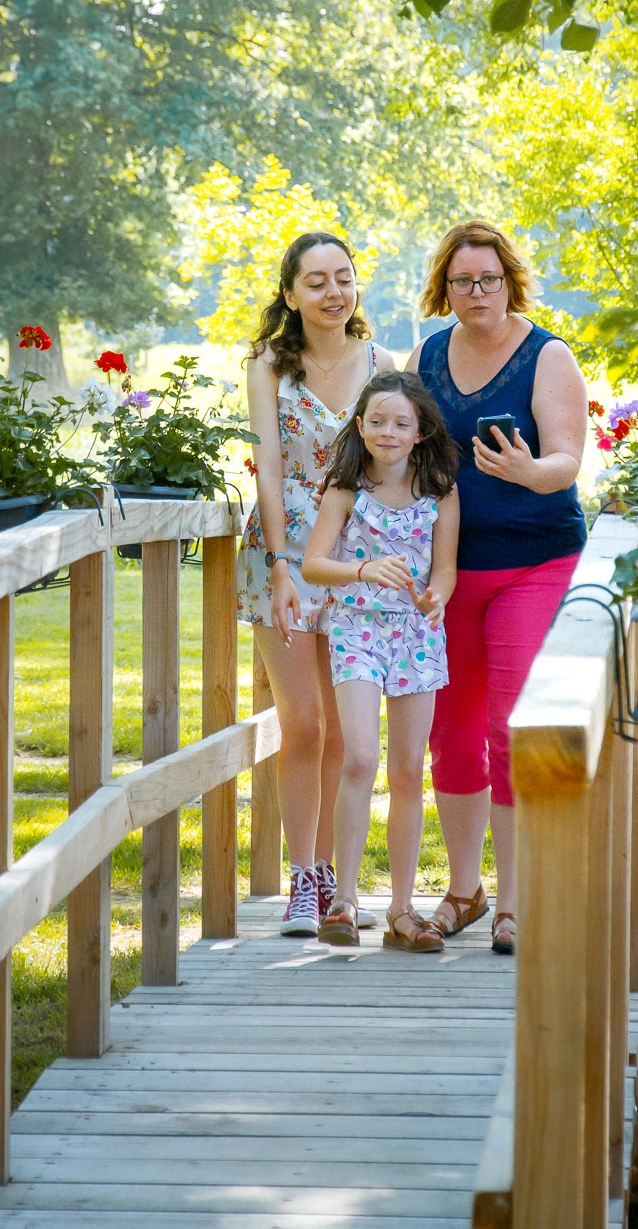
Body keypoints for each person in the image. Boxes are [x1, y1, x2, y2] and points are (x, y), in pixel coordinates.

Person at [407, 221, 587, 955]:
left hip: (534, 562)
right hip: (449, 571)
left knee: (510, 726)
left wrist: (527, 472)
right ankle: (464, 891)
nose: (475, 292)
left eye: (487, 279)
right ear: (444, 289)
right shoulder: (427, 355)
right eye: (461, 281)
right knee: (450, 735)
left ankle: (515, 901)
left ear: (510, 280)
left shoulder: (548, 356)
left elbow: (568, 460)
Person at [237, 232, 396, 934]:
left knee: (344, 732)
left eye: (345, 278)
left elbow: (391, 468)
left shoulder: (382, 364)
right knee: (303, 722)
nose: (334, 293)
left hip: (354, 561)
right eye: (317, 282)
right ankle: (302, 877)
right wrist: (278, 563)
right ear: (291, 293)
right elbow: (269, 467)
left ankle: (333, 876)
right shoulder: (270, 364)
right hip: (284, 555)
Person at [300, 371, 460, 951]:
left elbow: (445, 567)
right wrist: (364, 570)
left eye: (400, 423)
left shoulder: (440, 488)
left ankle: (400, 909)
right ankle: (343, 902)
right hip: (356, 630)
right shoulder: (346, 486)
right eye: (376, 421)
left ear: (420, 432)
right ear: (360, 426)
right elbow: (316, 564)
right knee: (360, 757)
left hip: (417, 634)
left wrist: (435, 596)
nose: (387, 432)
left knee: (408, 771)